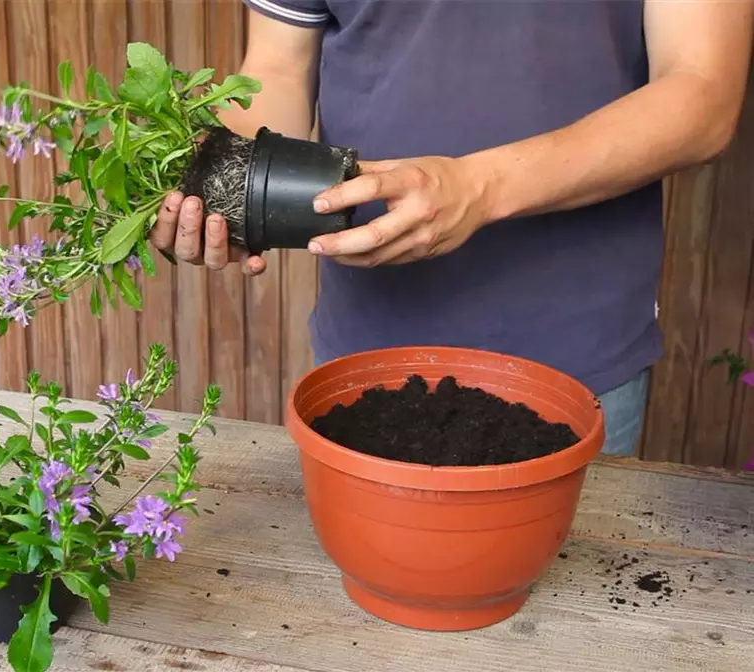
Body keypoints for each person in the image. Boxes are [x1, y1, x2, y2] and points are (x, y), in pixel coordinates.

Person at [149, 1, 753, 456]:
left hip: (577, 358)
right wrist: (216, 185)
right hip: (368, 348)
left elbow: (701, 92)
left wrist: (480, 188)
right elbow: (279, 69)